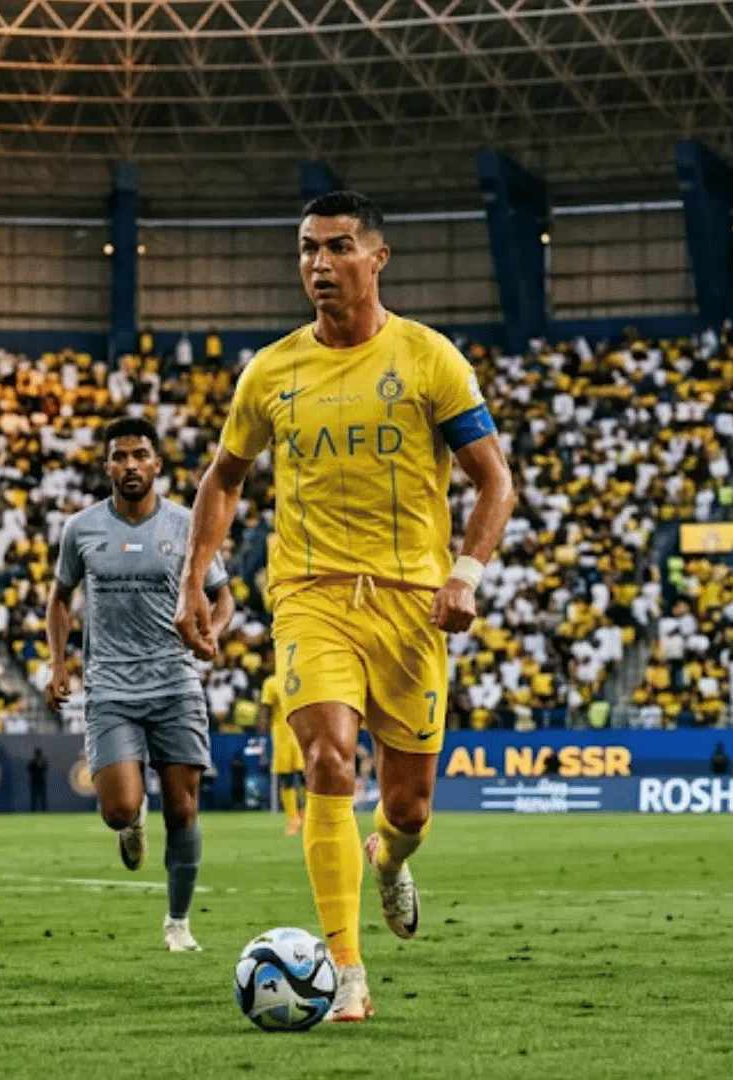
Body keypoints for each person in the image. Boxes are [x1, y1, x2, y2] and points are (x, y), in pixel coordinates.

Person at [174, 190, 516, 1018]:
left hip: (411, 604)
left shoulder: (429, 359)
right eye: (307, 249)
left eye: (336, 247)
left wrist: (466, 574)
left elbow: (495, 481)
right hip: (311, 594)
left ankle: (389, 860)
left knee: (409, 808)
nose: (318, 264)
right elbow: (225, 476)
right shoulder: (271, 370)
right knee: (328, 760)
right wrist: (193, 576)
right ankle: (347, 972)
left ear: (377, 257)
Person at [48, 415, 235, 953]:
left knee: (184, 809)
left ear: (157, 464)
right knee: (118, 809)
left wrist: (213, 634)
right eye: (120, 456)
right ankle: (132, 822)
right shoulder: (81, 528)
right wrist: (58, 665)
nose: (130, 465)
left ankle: (178, 923)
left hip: (175, 684)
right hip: (110, 688)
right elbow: (59, 598)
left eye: (139, 455)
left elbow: (223, 597)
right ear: (106, 466)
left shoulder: (187, 525)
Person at [262, 677, 305, 835]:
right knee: (286, 776)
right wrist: (262, 728)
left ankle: (307, 815)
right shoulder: (271, 683)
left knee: (307, 776)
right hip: (282, 735)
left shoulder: (302, 676)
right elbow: (266, 709)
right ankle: (293, 818)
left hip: (303, 731)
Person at [28, 747, 49, 812]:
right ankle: (34, 810)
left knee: (42, 797)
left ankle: (43, 810)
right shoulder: (33, 762)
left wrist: (40, 766)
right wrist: (37, 766)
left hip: (40, 781)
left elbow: (45, 769)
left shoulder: (43, 761)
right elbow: (29, 769)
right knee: (35, 797)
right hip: (35, 781)